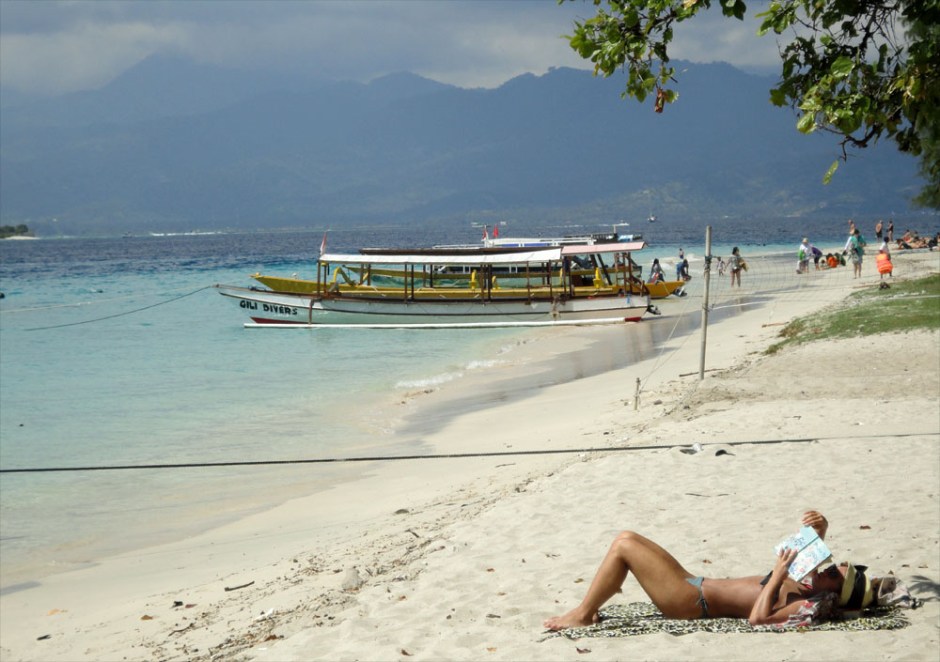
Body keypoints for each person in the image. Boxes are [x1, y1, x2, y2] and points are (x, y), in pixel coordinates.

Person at [543, 511, 879, 630]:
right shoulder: (807, 585)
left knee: (624, 548)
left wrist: (777, 575)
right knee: (626, 536)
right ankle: (585, 609)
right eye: (834, 564)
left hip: (690, 602)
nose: (827, 568)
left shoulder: (805, 603)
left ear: (834, 593)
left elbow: (758, 619)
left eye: (834, 573)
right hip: (695, 583)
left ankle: (585, 613)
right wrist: (822, 526)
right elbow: (811, 551)